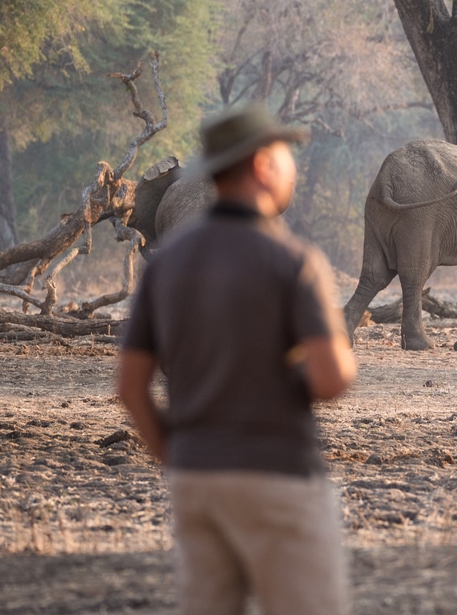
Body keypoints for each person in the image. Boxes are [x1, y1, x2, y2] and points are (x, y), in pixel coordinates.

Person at [116, 103, 357, 615]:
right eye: (286, 155)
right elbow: (333, 376)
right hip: (277, 473)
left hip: (195, 479)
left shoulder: (165, 267)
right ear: (262, 166)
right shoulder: (291, 261)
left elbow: (130, 387)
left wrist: (175, 454)